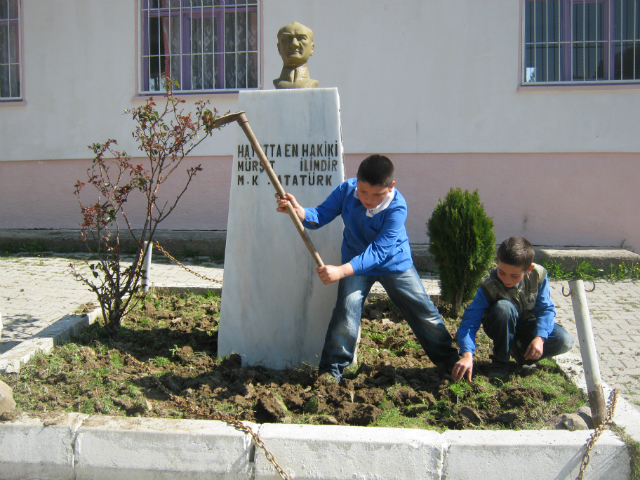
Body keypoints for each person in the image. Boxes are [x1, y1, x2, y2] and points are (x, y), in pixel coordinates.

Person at [275, 155, 459, 381]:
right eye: (363, 192)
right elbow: (321, 215)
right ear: (357, 180)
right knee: (346, 311)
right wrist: (299, 212)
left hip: (393, 263)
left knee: (423, 310)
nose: (368, 199)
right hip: (356, 263)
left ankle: (451, 363)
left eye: (377, 194)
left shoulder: (397, 207)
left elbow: (379, 252)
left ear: (391, 186)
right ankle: (331, 372)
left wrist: (341, 271)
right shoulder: (346, 190)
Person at [452, 236, 574, 382]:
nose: (507, 280)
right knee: (504, 308)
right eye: (502, 272)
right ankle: (500, 363)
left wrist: (540, 338)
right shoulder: (488, 283)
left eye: (514, 275)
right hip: (500, 325)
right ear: (497, 260)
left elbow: (545, 309)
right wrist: (466, 354)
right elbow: (470, 321)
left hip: (528, 325)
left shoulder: (538, 275)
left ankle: (523, 355)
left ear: (528, 270)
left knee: (564, 341)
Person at [273, 22, 319, 89]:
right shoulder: (278, 83)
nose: (294, 44)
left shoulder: (311, 83)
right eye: (287, 38)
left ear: (312, 48)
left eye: (302, 38)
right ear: (279, 48)